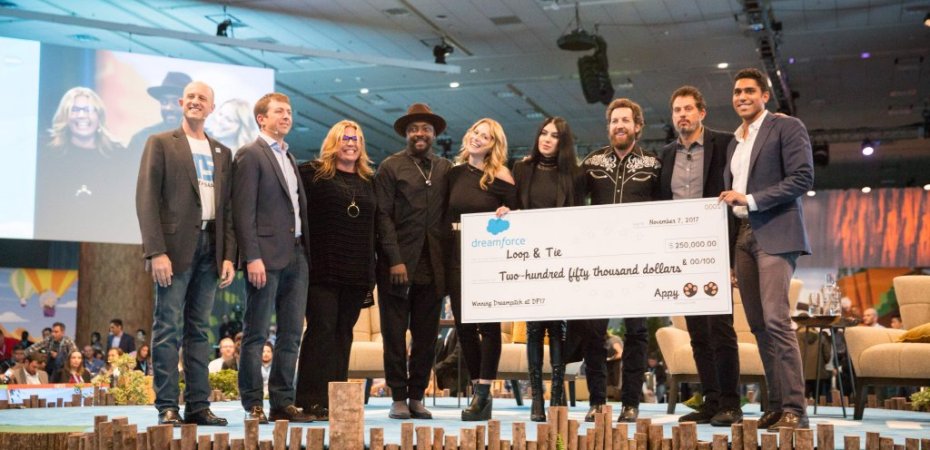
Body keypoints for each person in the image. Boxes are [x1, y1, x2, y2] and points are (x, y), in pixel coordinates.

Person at [719, 67, 814, 432]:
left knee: (776, 320)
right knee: (758, 326)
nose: (742, 97)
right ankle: (776, 405)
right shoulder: (735, 142)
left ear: (764, 96)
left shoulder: (786, 127)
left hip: (776, 232)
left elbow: (802, 178)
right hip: (743, 236)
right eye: (737, 92)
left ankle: (796, 409)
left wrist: (751, 199)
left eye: (749, 91)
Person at [136, 80, 236, 427]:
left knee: (199, 330)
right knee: (167, 328)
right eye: (190, 97)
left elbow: (227, 210)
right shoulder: (161, 142)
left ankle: (198, 406)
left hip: (212, 249)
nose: (195, 101)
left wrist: (228, 255)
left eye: (202, 98)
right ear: (181, 102)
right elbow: (146, 199)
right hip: (173, 250)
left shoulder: (223, 151)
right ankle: (167, 405)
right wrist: (156, 251)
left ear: (211, 108)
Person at [658, 85, 742, 427]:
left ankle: (731, 403)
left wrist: (734, 258)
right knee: (697, 332)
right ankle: (711, 401)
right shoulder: (666, 154)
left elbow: (738, 192)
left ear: (701, 112)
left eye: (688, 109)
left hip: (717, 247)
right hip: (681, 252)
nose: (682, 115)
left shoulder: (726, 143)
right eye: (677, 110)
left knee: (720, 328)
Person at [233, 92, 313, 424]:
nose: (286, 116)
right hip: (264, 258)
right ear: (261, 118)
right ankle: (253, 403)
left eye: (289, 111)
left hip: (297, 254)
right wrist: (252, 257)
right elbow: (243, 212)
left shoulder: (289, 156)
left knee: (291, 333)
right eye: (279, 111)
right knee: (256, 333)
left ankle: (282, 402)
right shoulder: (250, 154)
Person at [578, 98, 660, 423]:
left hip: (639, 262)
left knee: (637, 332)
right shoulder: (591, 162)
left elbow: (668, 210)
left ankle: (631, 404)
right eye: (614, 121)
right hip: (597, 261)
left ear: (637, 126)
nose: (619, 126)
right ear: (608, 127)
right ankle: (597, 402)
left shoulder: (654, 165)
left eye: (625, 120)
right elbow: (567, 201)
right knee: (593, 332)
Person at [497, 117, 584, 421]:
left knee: (557, 329)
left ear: (563, 142)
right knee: (534, 329)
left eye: (554, 135)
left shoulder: (575, 174)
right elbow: (513, 204)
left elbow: (579, 216)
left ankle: (556, 396)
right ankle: (536, 398)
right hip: (529, 258)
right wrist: (506, 210)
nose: (546, 139)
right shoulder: (522, 168)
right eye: (543, 133)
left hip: (561, 258)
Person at [374, 103, 453, 420]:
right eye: (413, 129)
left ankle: (417, 396)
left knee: (426, 338)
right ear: (406, 134)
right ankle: (397, 397)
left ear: (434, 134)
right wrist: (394, 258)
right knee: (394, 335)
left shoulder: (445, 168)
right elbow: (382, 216)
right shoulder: (390, 167)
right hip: (397, 266)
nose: (420, 134)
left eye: (426, 129)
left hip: (433, 266)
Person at [295, 120, 377, 420]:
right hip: (322, 269)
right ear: (333, 141)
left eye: (356, 139)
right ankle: (309, 400)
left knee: (343, 334)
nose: (351, 143)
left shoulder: (369, 181)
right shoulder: (312, 173)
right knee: (322, 330)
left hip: (357, 271)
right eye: (345, 138)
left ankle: (334, 399)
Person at [447, 118, 518, 421]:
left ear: (493, 145)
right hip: (455, 256)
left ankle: (485, 391)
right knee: (463, 327)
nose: (477, 138)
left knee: (488, 327)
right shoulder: (453, 174)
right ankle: (477, 390)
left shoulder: (501, 176)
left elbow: (519, 215)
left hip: (487, 259)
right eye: (475, 132)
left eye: (485, 136)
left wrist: (508, 212)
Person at [35, 86, 132, 242]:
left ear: (99, 116)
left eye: (88, 110)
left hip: (108, 239)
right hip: (57, 237)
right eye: (75, 110)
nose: (82, 115)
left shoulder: (119, 155)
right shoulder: (47, 153)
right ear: (65, 117)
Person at [129, 72, 192, 152]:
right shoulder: (141, 139)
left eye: (176, 102)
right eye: (164, 102)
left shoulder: (203, 142)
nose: (169, 108)